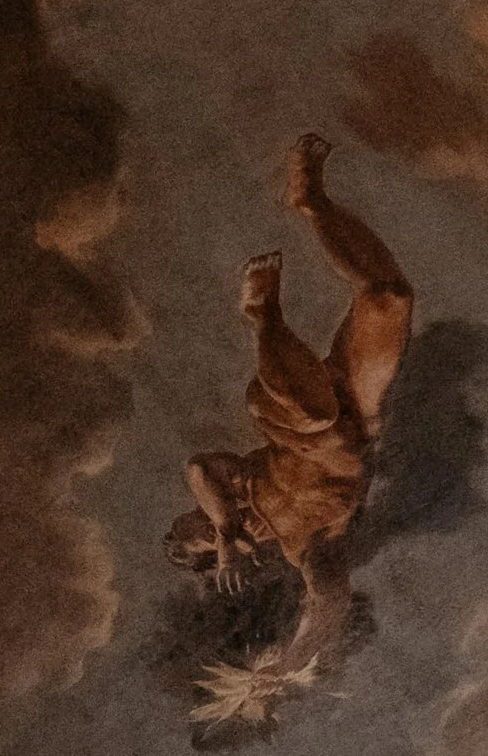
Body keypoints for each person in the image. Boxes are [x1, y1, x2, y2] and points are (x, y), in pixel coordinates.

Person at [166, 134, 411, 719]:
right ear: (219, 564)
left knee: (312, 415)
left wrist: (225, 525)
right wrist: (287, 662)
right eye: (197, 539)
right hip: (357, 415)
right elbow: (327, 604)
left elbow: (199, 468)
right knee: (389, 296)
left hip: (303, 415)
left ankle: (269, 305)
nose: (204, 526)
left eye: (195, 524)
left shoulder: (243, 485)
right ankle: (307, 210)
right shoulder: (305, 544)